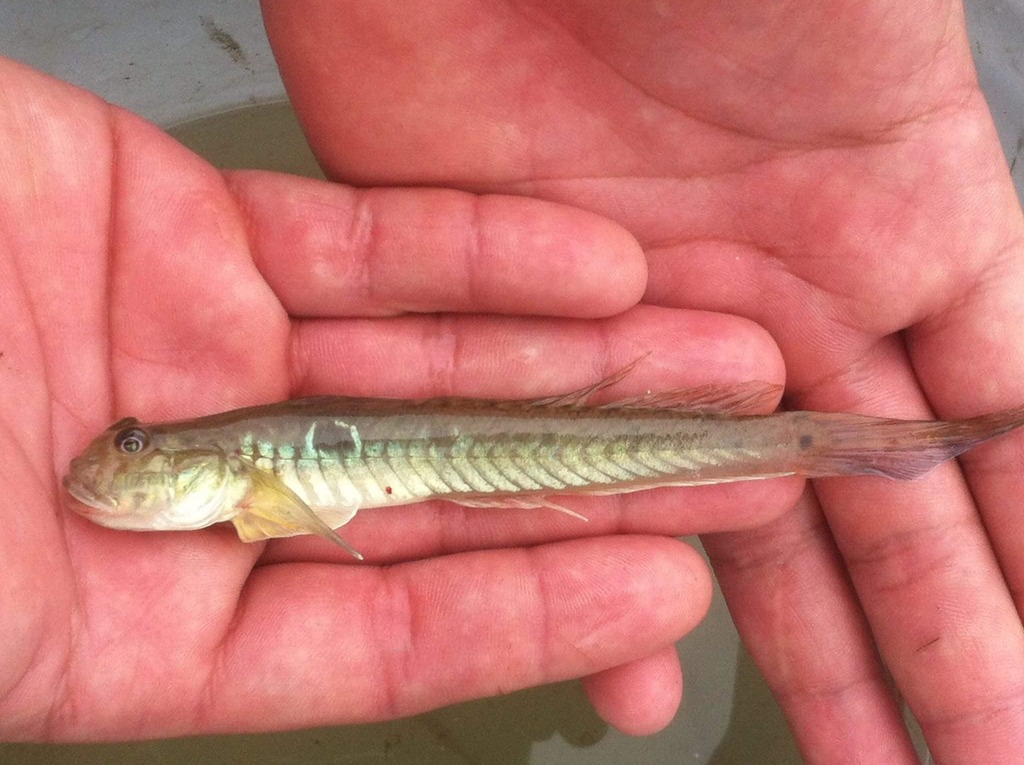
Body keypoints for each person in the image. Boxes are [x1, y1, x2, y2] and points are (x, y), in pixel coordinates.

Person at [0, 0, 1019, 761]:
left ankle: (866, 444)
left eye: (134, 450)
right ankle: (874, 445)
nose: (112, 466)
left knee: (683, 451)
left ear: (203, 463)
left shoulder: (245, 471)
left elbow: (282, 508)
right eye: (129, 451)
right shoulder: (244, 476)